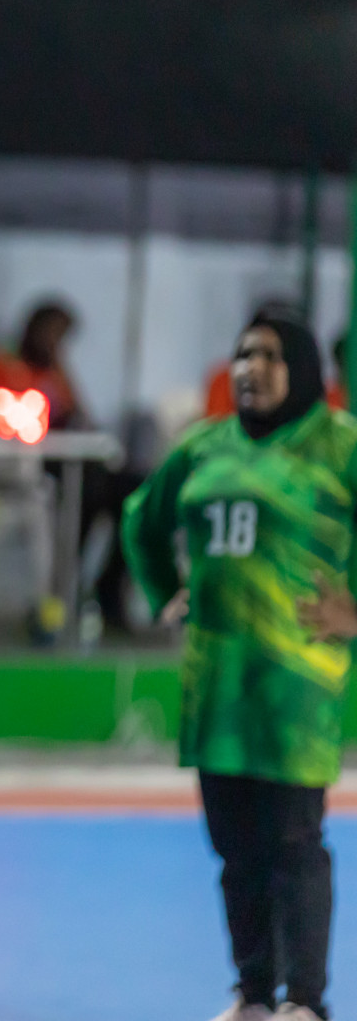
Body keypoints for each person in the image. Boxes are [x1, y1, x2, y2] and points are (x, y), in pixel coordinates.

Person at [122, 310, 353, 1021]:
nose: (253, 367)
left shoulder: (338, 446)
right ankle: (253, 994)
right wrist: (167, 591)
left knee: (292, 842)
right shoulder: (205, 448)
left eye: (272, 355)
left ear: (306, 367)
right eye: (244, 353)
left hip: (295, 689)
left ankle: (304, 1001)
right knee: (234, 849)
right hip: (217, 685)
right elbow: (141, 520)